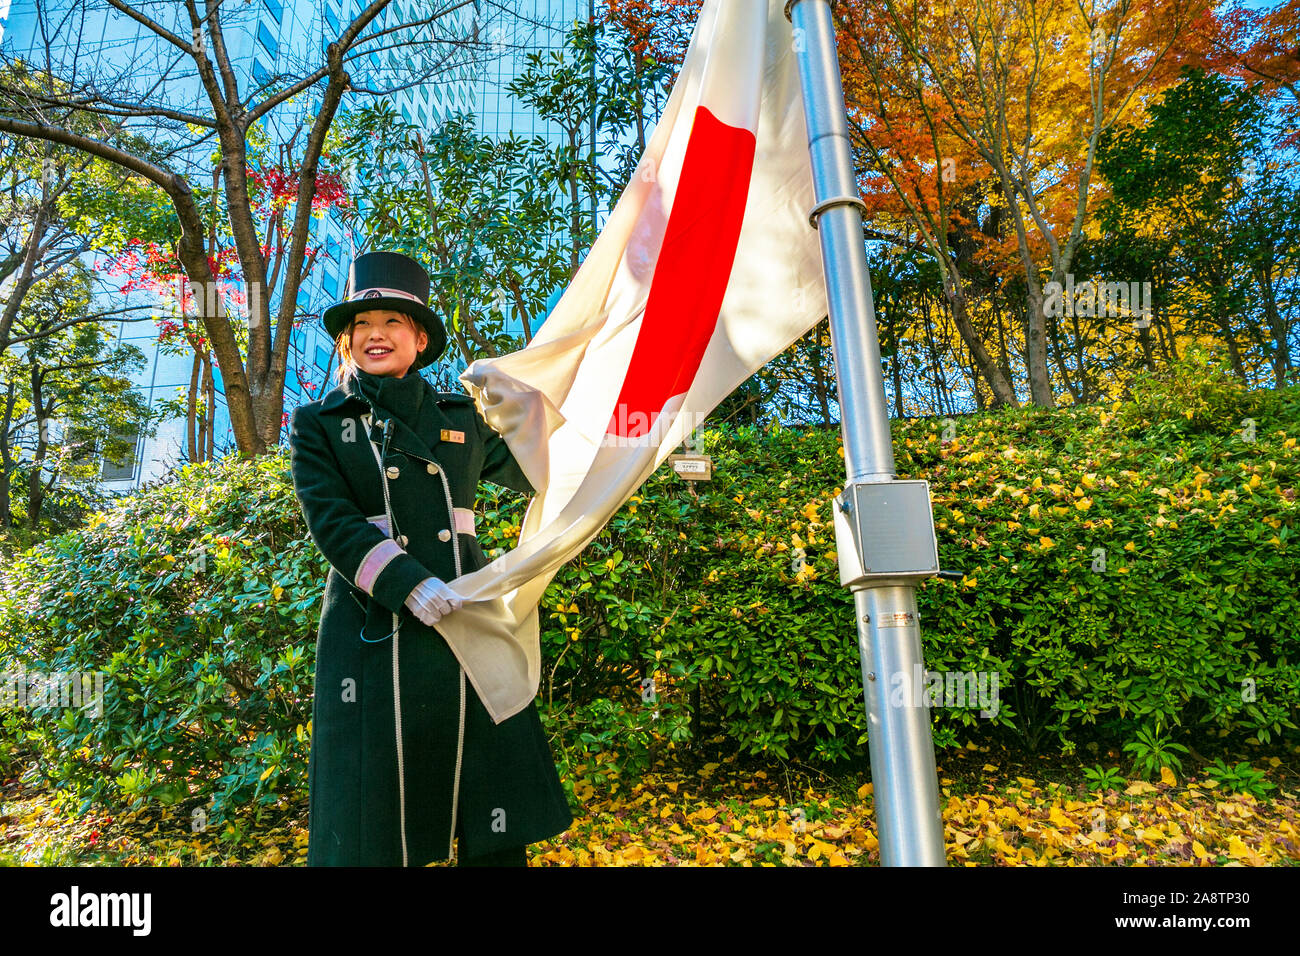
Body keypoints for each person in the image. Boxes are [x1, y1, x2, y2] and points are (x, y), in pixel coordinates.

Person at [288, 250, 573, 867]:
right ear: (347, 342)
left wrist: (524, 415)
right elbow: (331, 522)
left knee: (489, 803)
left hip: (466, 613)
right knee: (377, 815)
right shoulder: (317, 424)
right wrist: (407, 583)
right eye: (360, 326)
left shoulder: (460, 416)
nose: (374, 335)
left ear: (419, 338)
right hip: (374, 625)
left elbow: (543, 475)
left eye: (392, 323)